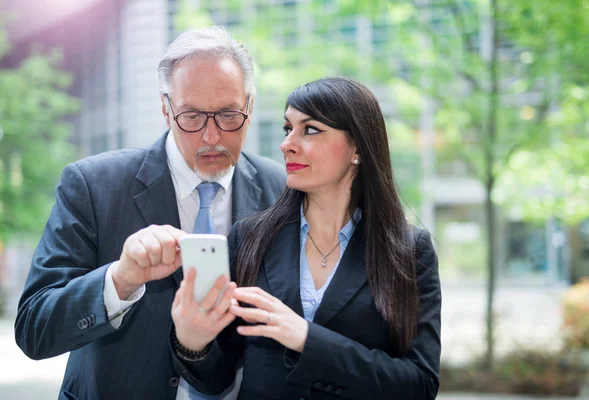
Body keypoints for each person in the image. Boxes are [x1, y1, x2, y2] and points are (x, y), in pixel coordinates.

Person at [14, 27, 286, 399]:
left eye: (227, 115)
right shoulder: (93, 185)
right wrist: (120, 279)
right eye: (191, 116)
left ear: (250, 107)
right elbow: (34, 328)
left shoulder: (281, 191)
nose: (211, 137)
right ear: (165, 108)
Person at [170, 77, 442, 399]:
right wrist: (193, 342)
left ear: (357, 146)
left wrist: (306, 339)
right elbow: (217, 379)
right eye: (289, 129)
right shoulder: (250, 238)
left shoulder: (409, 251)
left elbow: (420, 385)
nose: (288, 144)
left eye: (310, 129)